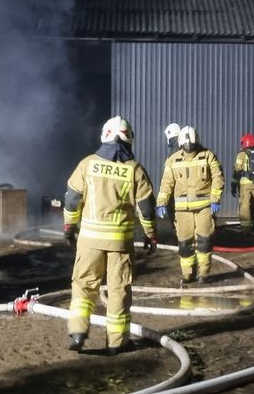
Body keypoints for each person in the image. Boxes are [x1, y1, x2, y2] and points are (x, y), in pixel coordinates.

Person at [62, 116, 157, 354]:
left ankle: (78, 333)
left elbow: (72, 200)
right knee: (118, 290)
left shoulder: (87, 164)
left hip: (89, 241)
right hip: (120, 243)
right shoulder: (134, 169)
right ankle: (116, 343)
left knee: (84, 286)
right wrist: (150, 234)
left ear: (104, 136)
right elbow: (146, 207)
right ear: (129, 138)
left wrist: (69, 227)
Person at [156, 126, 224, 284]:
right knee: (185, 242)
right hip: (182, 210)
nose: (189, 147)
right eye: (186, 145)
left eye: (191, 145)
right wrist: (161, 202)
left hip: (204, 208)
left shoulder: (207, 156)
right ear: (180, 143)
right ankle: (187, 274)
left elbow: (218, 176)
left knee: (204, 240)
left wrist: (215, 198)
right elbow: (166, 183)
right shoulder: (173, 160)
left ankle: (204, 273)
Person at [231, 133, 254, 232]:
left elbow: (237, 170)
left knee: (245, 205)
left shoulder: (241, 154)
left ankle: (245, 228)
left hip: (245, 184)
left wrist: (233, 184)